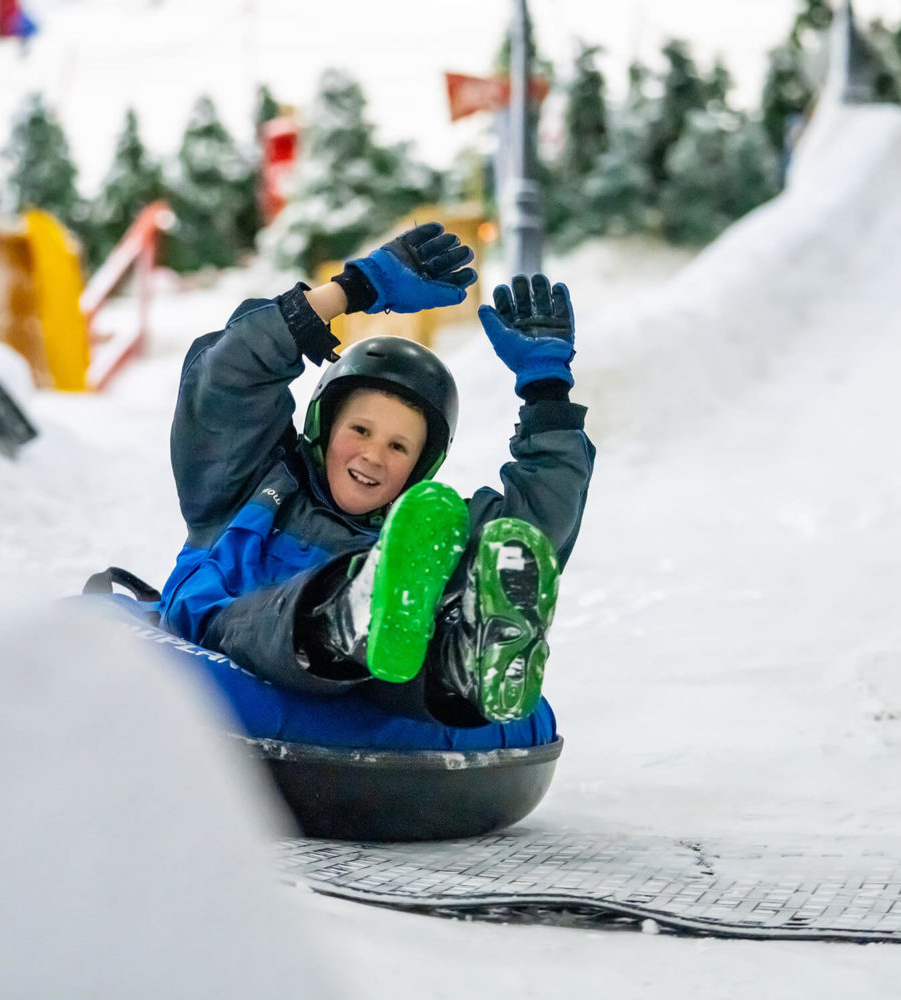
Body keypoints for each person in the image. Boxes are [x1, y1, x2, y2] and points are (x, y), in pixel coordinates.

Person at [156, 222, 594, 729]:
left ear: (421, 466)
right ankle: (350, 613)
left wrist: (546, 390)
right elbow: (230, 377)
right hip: (228, 640)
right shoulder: (249, 477)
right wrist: (353, 288)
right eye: (360, 430)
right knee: (251, 619)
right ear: (324, 426)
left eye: (398, 446)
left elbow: (531, 532)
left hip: (373, 674)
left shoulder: (424, 535)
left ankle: (464, 661)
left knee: (411, 648)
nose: (373, 456)